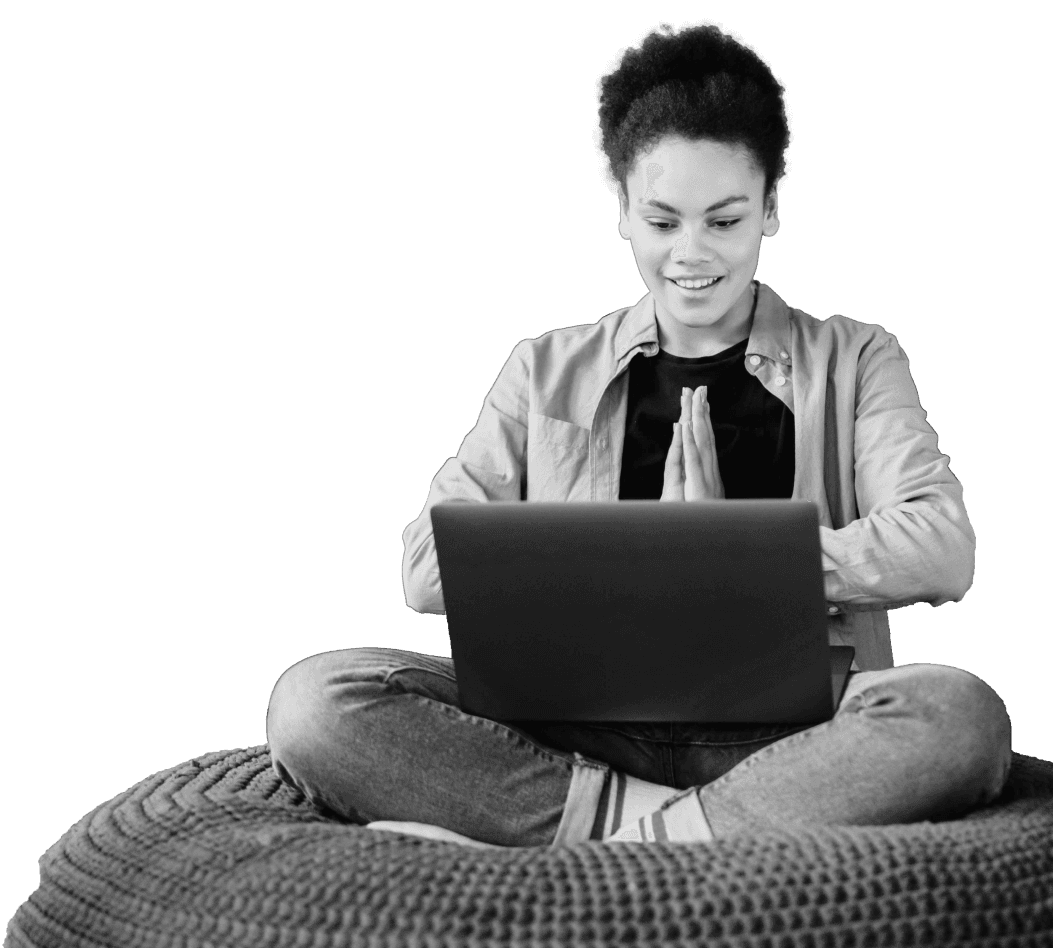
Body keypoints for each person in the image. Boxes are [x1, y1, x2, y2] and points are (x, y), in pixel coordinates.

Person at [266, 20, 1012, 848]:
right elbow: (425, 569)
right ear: (622, 211)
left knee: (960, 715)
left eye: (723, 221)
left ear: (771, 208)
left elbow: (944, 547)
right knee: (316, 702)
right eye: (662, 222)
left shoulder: (857, 355)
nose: (691, 255)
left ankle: (601, 841)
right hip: (579, 734)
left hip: (790, 739)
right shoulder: (543, 369)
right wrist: (633, 562)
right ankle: (677, 835)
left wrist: (737, 559)